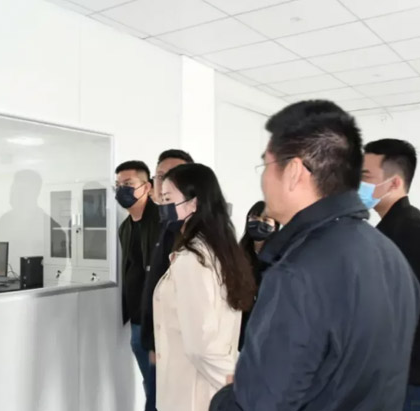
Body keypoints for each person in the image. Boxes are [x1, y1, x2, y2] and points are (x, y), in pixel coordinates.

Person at [210, 100, 420, 410]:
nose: (263, 180)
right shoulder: (389, 255)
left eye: (266, 165)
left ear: (294, 172)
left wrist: (226, 397)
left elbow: (261, 403)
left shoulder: (298, 271)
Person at [153, 163, 256, 411]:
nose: (162, 206)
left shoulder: (193, 260)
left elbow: (201, 345)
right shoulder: (218, 248)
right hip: (206, 386)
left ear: (193, 204)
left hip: (193, 392)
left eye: (167, 199)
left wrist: (239, 387)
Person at [361, 138, 420, 409]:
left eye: (365, 177)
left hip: (408, 378)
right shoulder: (387, 231)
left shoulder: (410, 232)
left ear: (394, 183)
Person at [115, 160, 161, 411]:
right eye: (118, 185)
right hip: (137, 317)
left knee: (161, 387)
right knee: (151, 384)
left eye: (128, 184)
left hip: (159, 320)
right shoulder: (125, 227)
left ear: (148, 186)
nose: (122, 190)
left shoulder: (162, 221)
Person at [140, 150, 194, 361]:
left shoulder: (193, 233)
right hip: (159, 341)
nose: (165, 183)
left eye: (175, 175)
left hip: (180, 348)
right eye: (161, 176)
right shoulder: (166, 224)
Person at [237, 200, 279, 351]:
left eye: (266, 220)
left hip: (265, 332)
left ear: (275, 226)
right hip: (238, 327)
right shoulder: (237, 254)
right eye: (254, 218)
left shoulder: (280, 259)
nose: (259, 223)